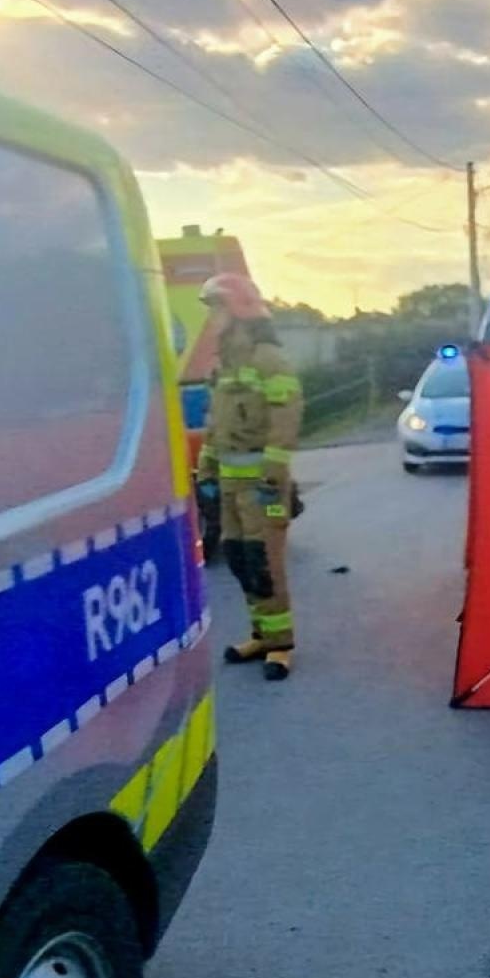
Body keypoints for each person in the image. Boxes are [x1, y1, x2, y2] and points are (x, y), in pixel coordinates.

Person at [197, 272, 304, 680]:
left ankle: (281, 645)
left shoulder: (268, 360)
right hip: (230, 485)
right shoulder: (225, 364)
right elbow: (216, 423)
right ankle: (261, 634)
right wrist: (207, 468)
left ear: (238, 310)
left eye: (216, 308)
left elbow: (286, 418)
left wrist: (272, 476)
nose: (212, 318)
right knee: (241, 559)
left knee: (265, 562)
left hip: (262, 487)